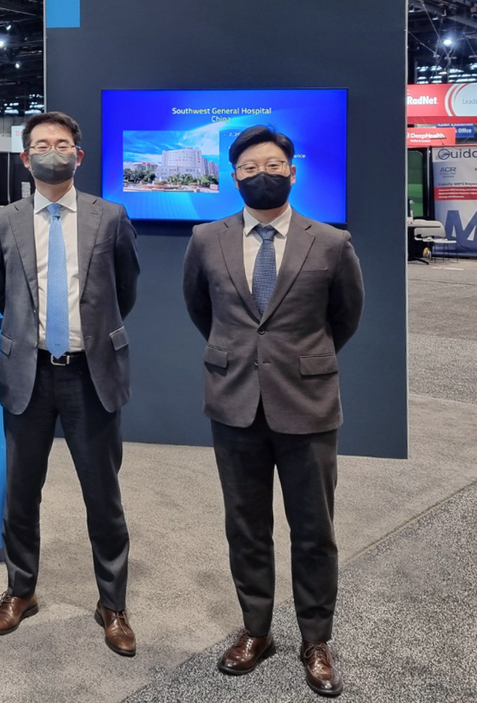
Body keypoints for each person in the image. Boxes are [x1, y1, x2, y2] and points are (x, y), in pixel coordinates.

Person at [182, 125, 364, 698]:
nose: (262, 174)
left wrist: (301, 362)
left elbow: (346, 317)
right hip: (234, 401)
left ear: (292, 172)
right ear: (233, 176)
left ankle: (316, 640)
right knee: (246, 526)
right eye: (249, 167)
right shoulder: (206, 238)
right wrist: (242, 356)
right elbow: (200, 308)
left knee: (314, 530)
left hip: (307, 404)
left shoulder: (330, 242)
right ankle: (256, 630)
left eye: (273, 165)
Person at [0, 112, 141, 655]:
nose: (54, 151)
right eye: (42, 145)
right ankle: (19, 591)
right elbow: (1, 292)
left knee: (103, 495)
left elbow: (125, 289)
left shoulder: (110, 216)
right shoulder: (3, 221)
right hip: (27, 373)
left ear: (79, 154)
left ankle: (112, 603)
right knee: (21, 494)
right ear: (25, 158)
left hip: (90, 375)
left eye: (63, 143)